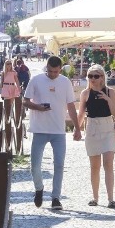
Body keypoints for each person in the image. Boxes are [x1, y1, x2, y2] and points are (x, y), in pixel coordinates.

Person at [23, 56, 81, 210]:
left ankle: (56, 197)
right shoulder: (36, 80)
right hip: (39, 129)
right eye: (50, 71)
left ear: (60, 69)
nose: (53, 74)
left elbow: (70, 106)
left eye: (56, 71)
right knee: (35, 165)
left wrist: (77, 127)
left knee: (59, 164)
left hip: (58, 130)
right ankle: (39, 188)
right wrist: (38, 107)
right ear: (46, 68)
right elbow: (25, 101)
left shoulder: (65, 82)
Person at [77, 64, 115, 208]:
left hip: (107, 127)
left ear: (102, 77)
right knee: (94, 166)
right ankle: (95, 197)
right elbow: (81, 113)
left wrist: (107, 99)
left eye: (96, 76)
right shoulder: (85, 93)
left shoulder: (110, 91)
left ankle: (111, 198)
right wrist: (77, 129)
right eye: (90, 76)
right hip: (92, 127)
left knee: (108, 163)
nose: (93, 79)